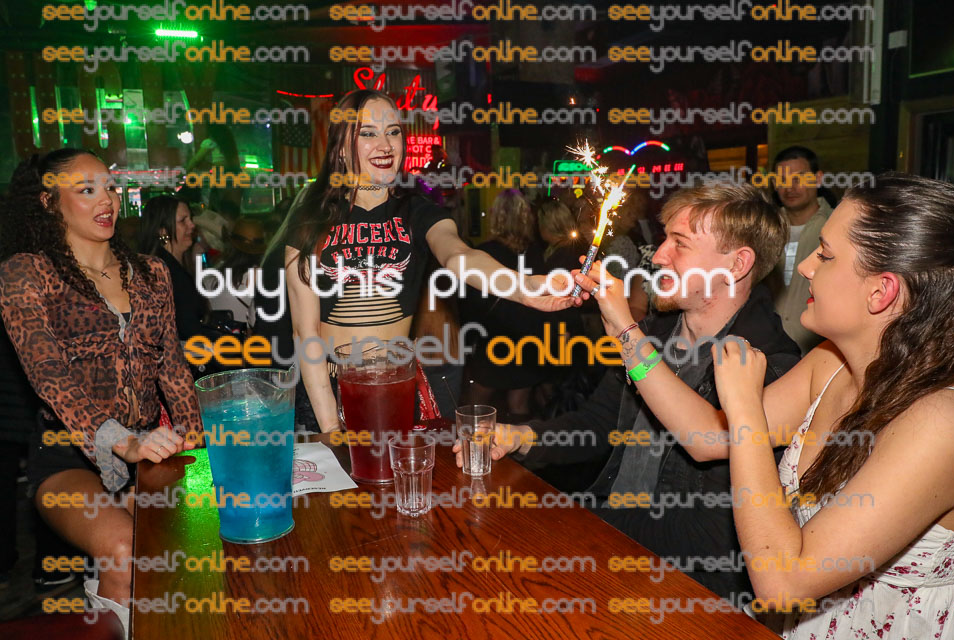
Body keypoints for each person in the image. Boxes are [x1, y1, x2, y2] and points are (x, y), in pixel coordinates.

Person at [459, 182, 801, 599]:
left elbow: (711, 523)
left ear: (737, 264)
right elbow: (598, 423)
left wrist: (624, 330)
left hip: (688, 591)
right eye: (664, 239)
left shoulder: (772, 367)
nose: (658, 256)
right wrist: (521, 436)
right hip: (610, 545)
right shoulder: (656, 332)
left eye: (680, 243)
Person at [705, 173, 954, 638]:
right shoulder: (831, 363)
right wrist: (627, 334)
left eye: (825, 254)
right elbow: (703, 438)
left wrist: (744, 411)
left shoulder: (942, 420)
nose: (805, 267)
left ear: (880, 291)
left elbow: (783, 582)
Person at [262, 89, 575, 433]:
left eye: (393, 131)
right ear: (340, 146)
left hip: (395, 386)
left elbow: (459, 255)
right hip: (328, 389)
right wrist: (331, 431)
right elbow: (305, 333)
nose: (385, 145)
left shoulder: (417, 212)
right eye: (368, 133)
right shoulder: (311, 220)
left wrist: (524, 287)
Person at [0, 149, 202, 635]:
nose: (105, 199)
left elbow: (172, 369)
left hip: (150, 452)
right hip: (67, 457)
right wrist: (121, 441)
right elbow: (48, 375)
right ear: (49, 201)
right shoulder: (26, 274)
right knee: (124, 549)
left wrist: (196, 442)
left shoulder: (151, 274)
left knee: (186, 553)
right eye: (86, 189)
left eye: (109, 187)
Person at [459, 189, 549, 422]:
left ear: (496, 216)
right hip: (527, 339)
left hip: (493, 339)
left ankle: (473, 444)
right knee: (519, 405)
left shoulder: (485, 254)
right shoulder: (534, 252)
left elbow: (471, 304)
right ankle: (519, 445)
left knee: (477, 406)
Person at [765, 146, 833, 355]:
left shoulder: (837, 228)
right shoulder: (764, 229)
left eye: (799, 178)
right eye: (782, 179)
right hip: (767, 349)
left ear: (818, 179)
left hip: (819, 351)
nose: (790, 187)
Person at [138, 194, 207, 342]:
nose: (192, 225)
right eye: (183, 221)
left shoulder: (172, 265)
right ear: (163, 231)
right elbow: (186, 326)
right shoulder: (164, 271)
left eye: (190, 219)